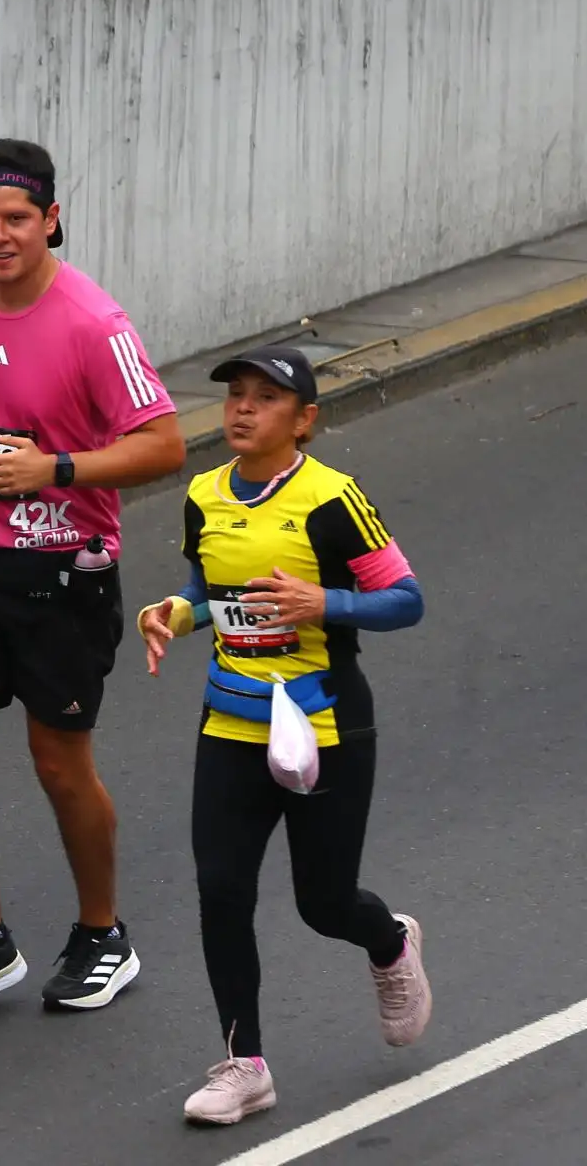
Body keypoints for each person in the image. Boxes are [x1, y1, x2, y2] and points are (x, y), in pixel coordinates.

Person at [0, 138, 187, 1019]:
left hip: (65, 577)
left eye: (17, 219)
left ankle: (103, 933)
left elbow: (165, 444)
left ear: (51, 219)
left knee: (60, 768)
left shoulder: (95, 323)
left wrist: (56, 471)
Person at [137, 346, 431, 1125]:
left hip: (327, 725)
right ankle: (246, 1065)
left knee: (323, 901)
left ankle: (390, 942)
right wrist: (175, 612)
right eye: (235, 395)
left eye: (265, 399)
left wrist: (324, 604)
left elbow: (405, 599)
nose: (242, 409)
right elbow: (210, 592)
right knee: (221, 890)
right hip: (232, 722)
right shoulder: (204, 495)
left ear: (304, 420)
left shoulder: (334, 499)